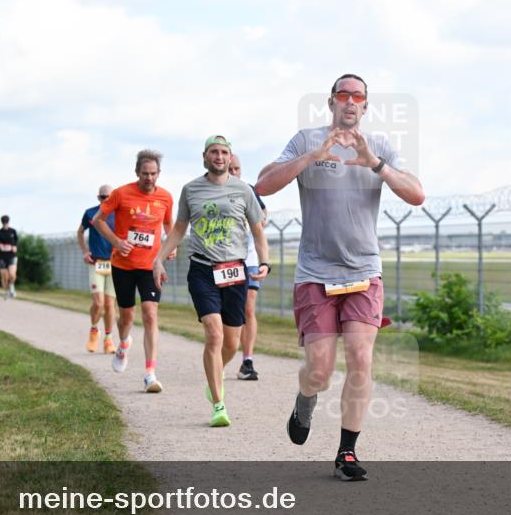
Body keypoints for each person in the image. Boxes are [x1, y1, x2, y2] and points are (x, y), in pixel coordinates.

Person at [256, 73, 424, 481]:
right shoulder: (306, 139)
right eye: (343, 94)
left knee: (361, 359)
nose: (350, 101)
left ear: (365, 106)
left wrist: (376, 164)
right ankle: (306, 399)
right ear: (331, 102)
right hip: (316, 273)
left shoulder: (378, 145)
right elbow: (263, 184)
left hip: (364, 270)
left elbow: (417, 194)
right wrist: (311, 157)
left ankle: (346, 452)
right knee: (319, 369)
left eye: (358, 96)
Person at [154, 136, 269, 427]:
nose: (219, 157)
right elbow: (179, 229)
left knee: (231, 343)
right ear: (205, 156)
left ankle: (214, 374)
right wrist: (158, 259)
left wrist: (265, 261)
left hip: (235, 271)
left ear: (230, 157)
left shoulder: (243, 190)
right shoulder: (191, 189)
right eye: (214, 152)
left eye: (224, 152)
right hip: (203, 270)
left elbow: (257, 231)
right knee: (214, 334)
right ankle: (219, 405)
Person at [93, 150, 175, 393]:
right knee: (126, 317)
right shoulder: (121, 194)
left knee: (150, 314)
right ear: (137, 172)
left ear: (159, 173)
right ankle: (123, 344)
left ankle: (150, 374)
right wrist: (117, 242)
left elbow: (168, 224)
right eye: (145, 173)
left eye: (153, 173)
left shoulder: (165, 197)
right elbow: (98, 220)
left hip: (151, 266)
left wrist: (171, 246)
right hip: (123, 265)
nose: (149, 178)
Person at [228, 154, 269, 381]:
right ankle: (222, 353)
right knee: (227, 311)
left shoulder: (249, 190)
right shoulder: (214, 191)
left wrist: (262, 219)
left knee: (249, 308)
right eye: (230, 169)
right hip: (225, 260)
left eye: (237, 169)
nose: (234, 173)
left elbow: (263, 212)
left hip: (250, 258)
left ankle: (247, 361)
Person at [78, 185, 118, 354]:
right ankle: (94, 330)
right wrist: (85, 251)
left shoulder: (119, 213)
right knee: (98, 303)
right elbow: (80, 232)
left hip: (114, 264)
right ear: (98, 198)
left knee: (109, 304)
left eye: (109, 197)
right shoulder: (90, 213)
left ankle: (108, 339)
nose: (106, 200)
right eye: (103, 197)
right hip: (96, 263)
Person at [0, 215, 19, 299]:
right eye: (4, 222)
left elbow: (16, 242)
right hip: (2, 257)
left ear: (8, 222)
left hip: (12, 256)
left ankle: (12, 286)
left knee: (12, 275)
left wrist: (15, 246)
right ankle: (6, 292)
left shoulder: (13, 231)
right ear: (2, 223)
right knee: (5, 277)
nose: (5, 224)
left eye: (6, 222)